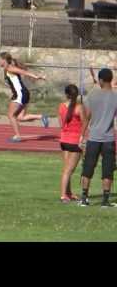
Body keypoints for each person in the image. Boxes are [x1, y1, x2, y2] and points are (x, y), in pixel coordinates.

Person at [79, 68, 117, 207]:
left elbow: (86, 118)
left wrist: (81, 136)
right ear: (111, 79)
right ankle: (105, 201)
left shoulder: (92, 95)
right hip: (108, 139)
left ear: (100, 80)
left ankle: (84, 198)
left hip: (93, 138)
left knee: (88, 167)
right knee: (108, 170)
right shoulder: (115, 96)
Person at [0, 52, 49, 143]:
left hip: (20, 94)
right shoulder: (6, 69)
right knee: (20, 117)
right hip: (22, 93)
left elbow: (24, 72)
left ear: (4, 60)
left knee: (11, 116)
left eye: (0, 59)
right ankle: (41, 117)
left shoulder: (10, 68)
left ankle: (17, 136)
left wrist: (36, 77)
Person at [58, 84, 87, 203]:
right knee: (68, 171)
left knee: (66, 169)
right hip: (74, 141)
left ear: (66, 94)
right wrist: (82, 137)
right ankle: (63, 195)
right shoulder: (79, 107)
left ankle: (68, 193)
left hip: (64, 140)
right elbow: (85, 122)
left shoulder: (61, 106)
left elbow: (61, 124)